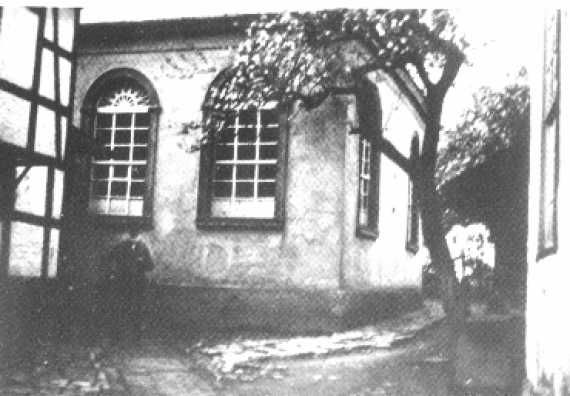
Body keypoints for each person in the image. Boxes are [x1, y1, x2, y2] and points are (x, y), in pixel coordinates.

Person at [102, 228, 154, 346]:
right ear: (129, 234)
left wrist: (142, 262)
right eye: (132, 233)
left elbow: (151, 266)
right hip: (123, 283)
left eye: (136, 233)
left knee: (138, 311)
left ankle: (136, 338)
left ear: (139, 234)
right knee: (121, 309)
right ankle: (117, 337)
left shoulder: (143, 248)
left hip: (138, 285)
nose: (134, 235)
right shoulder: (121, 247)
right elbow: (109, 259)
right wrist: (114, 271)